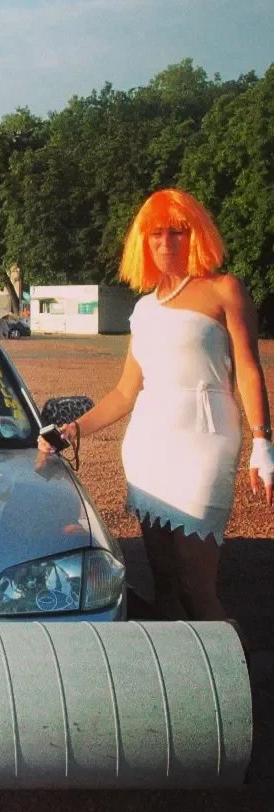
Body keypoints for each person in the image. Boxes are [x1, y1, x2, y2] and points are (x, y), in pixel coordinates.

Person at [39, 188, 273, 622]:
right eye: (155, 233)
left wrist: (262, 441)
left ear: (196, 235)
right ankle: (179, 679)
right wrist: (70, 431)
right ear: (141, 243)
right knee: (163, 584)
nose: (166, 242)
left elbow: (248, 369)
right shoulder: (143, 309)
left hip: (205, 443)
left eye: (178, 232)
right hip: (147, 448)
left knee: (197, 588)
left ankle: (235, 679)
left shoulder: (225, 290)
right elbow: (127, 392)